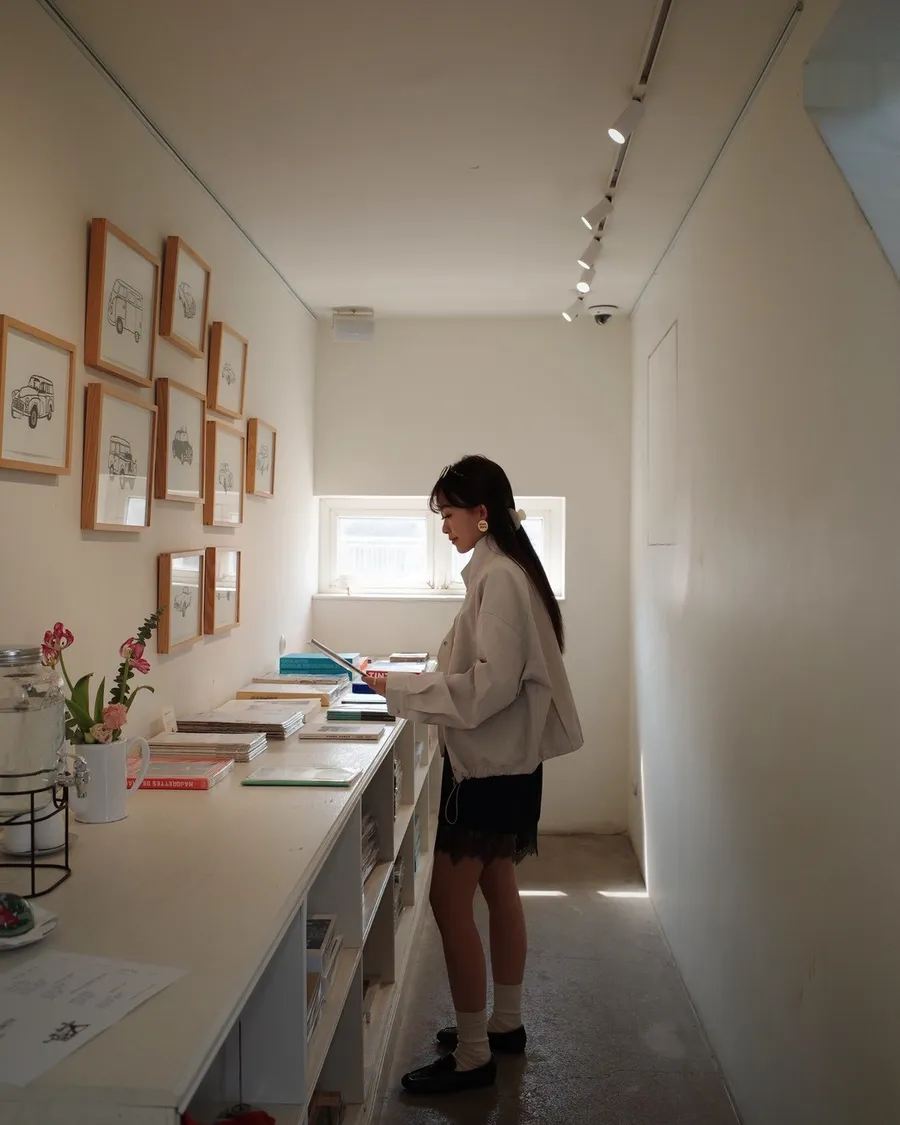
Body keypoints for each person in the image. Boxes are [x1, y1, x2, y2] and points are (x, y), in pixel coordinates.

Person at [364, 455, 583, 1096]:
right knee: (498, 886)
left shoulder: (500, 578)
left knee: (447, 899)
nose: (444, 526)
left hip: (490, 770)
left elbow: (490, 687)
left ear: (481, 514)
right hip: (507, 765)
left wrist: (402, 689)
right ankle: (503, 1025)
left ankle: (472, 1057)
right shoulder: (500, 572)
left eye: (449, 513)